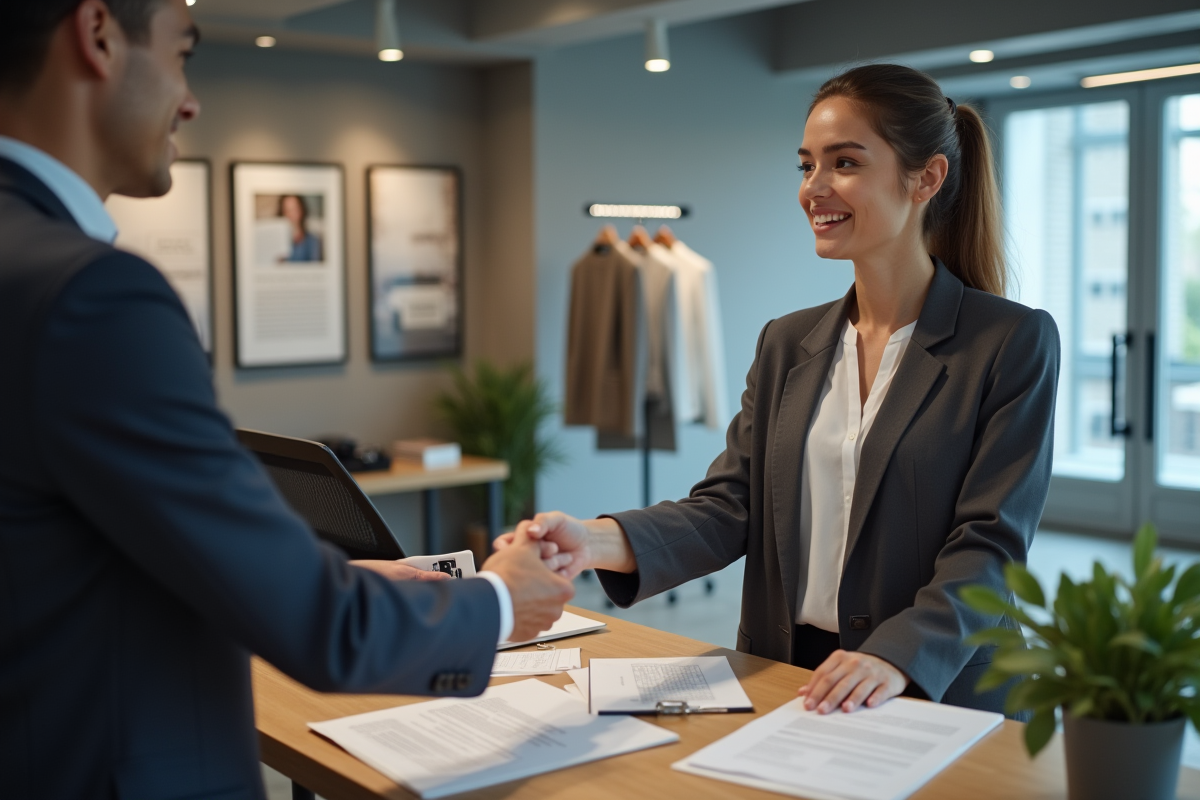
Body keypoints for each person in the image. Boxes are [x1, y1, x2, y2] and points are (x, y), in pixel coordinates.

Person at [0, 2, 573, 798]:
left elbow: (85, 551)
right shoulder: (91, 294)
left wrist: (345, 581)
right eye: (184, 54)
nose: (190, 99)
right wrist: (500, 599)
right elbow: (321, 631)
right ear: (97, 35)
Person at [502, 64, 1060, 719]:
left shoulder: (1010, 342)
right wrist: (592, 540)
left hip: (935, 686)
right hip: (793, 680)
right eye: (806, 166)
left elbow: (989, 545)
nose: (814, 189)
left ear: (926, 178)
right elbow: (728, 508)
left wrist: (896, 653)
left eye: (844, 162)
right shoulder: (787, 343)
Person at [278, 193, 322, 262]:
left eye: (294, 209)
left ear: (301, 210)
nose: (291, 215)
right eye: (287, 210)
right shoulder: (277, 242)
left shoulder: (313, 241)